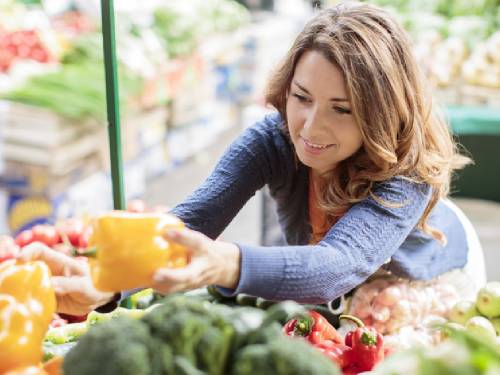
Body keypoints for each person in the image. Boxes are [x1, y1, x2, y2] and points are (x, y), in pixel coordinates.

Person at [19, 2, 486, 317]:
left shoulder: (406, 171)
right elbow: (192, 222)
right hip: (336, 291)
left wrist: (227, 264)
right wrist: (108, 280)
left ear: (383, 113)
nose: (311, 126)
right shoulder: (275, 137)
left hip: (428, 279)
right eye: (302, 97)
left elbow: (337, 264)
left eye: (342, 109)